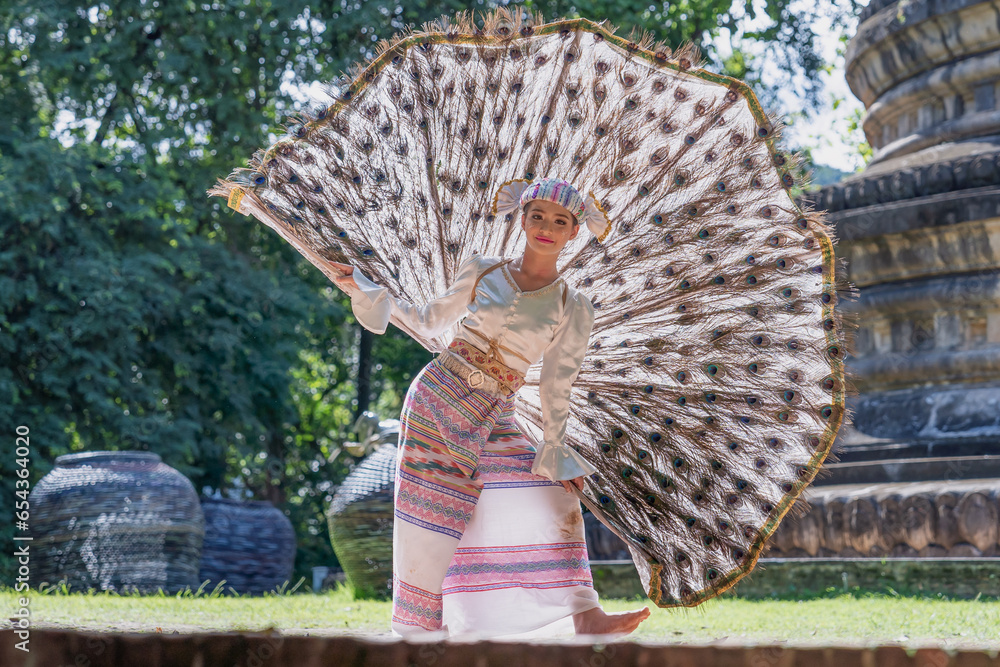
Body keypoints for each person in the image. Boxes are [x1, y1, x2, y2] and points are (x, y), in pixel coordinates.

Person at [328, 178, 650, 639]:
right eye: (537, 215)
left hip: (494, 410)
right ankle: (421, 628)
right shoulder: (481, 270)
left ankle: (584, 612)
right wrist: (366, 288)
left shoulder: (572, 305)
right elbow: (427, 320)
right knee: (431, 510)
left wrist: (555, 449)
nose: (546, 227)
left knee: (554, 493)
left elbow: (557, 384)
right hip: (438, 395)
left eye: (560, 221)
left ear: (573, 233)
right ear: (522, 219)